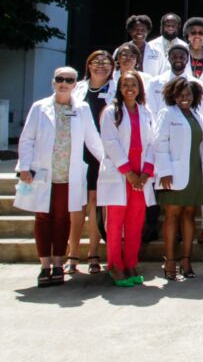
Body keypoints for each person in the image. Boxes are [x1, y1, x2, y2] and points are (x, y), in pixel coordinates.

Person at [15, 67, 105, 288]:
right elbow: (27, 139)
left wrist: (109, 164)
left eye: (69, 80)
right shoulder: (40, 108)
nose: (64, 83)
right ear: (53, 82)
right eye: (60, 79)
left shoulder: (82, 109)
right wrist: (24, 166)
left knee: (63, 219)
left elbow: (93, 140)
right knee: (43, 219)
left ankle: (58, 263)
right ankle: (44, 265)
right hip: (43, 172)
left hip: (69, 174)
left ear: (76, 84)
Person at [97, 70, 155, 286]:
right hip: (120, 172)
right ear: (119, 88)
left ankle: (131, 262)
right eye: (125, 85)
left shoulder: (146, 112)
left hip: (141, 175)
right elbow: (110, 143)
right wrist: (129, 172)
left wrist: (146, 172)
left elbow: (152, 142)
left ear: (140, 88)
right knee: (115, 222)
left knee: (135, 222)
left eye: (134, 85)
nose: (130, 89)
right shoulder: (111, 112)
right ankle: (115, 265)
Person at [154, 77, 203, 281]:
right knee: (172, 215)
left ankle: (186, 260)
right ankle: (170, 260)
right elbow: (160, 142)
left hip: (195, 173)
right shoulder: (167, 113)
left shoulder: (198, 116)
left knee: (189, 215)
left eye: (188, 94)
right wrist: (164, 170)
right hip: (172, 174)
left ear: (194, 95)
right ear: (172, 96)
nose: (184, 98)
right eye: (180, 95)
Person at [67, 50, 114, 275]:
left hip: (102, 151)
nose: (100, 66)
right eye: (96, 62)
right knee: (77, 204)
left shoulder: (116, 89)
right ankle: (72, 254)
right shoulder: (77, 88)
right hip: (78, 151)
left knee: (96, 201)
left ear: (112, 67)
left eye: (106, 62)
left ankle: (93, 253)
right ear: (88, 65)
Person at [146, 43, 193, 115]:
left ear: (187, 60)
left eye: (182, 57)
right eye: (174, 57)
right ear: (169, 59)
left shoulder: (195, 83)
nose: (178, 60)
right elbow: (150, 109)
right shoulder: (155, 83)